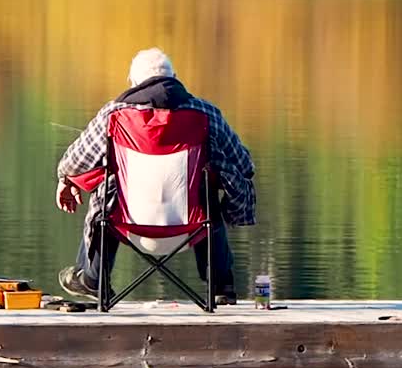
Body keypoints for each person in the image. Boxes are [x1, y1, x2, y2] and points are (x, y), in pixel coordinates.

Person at [54, 48, 256, 304]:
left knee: (108, 186)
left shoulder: (113, 115)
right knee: (205, 187)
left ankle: (94, 278)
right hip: (193, 227)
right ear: (175, 78)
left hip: (126, 225)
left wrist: (65, 180)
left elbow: (74, 162)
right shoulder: (206, 114)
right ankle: (221, 285)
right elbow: (244, 165)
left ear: (133, 82)